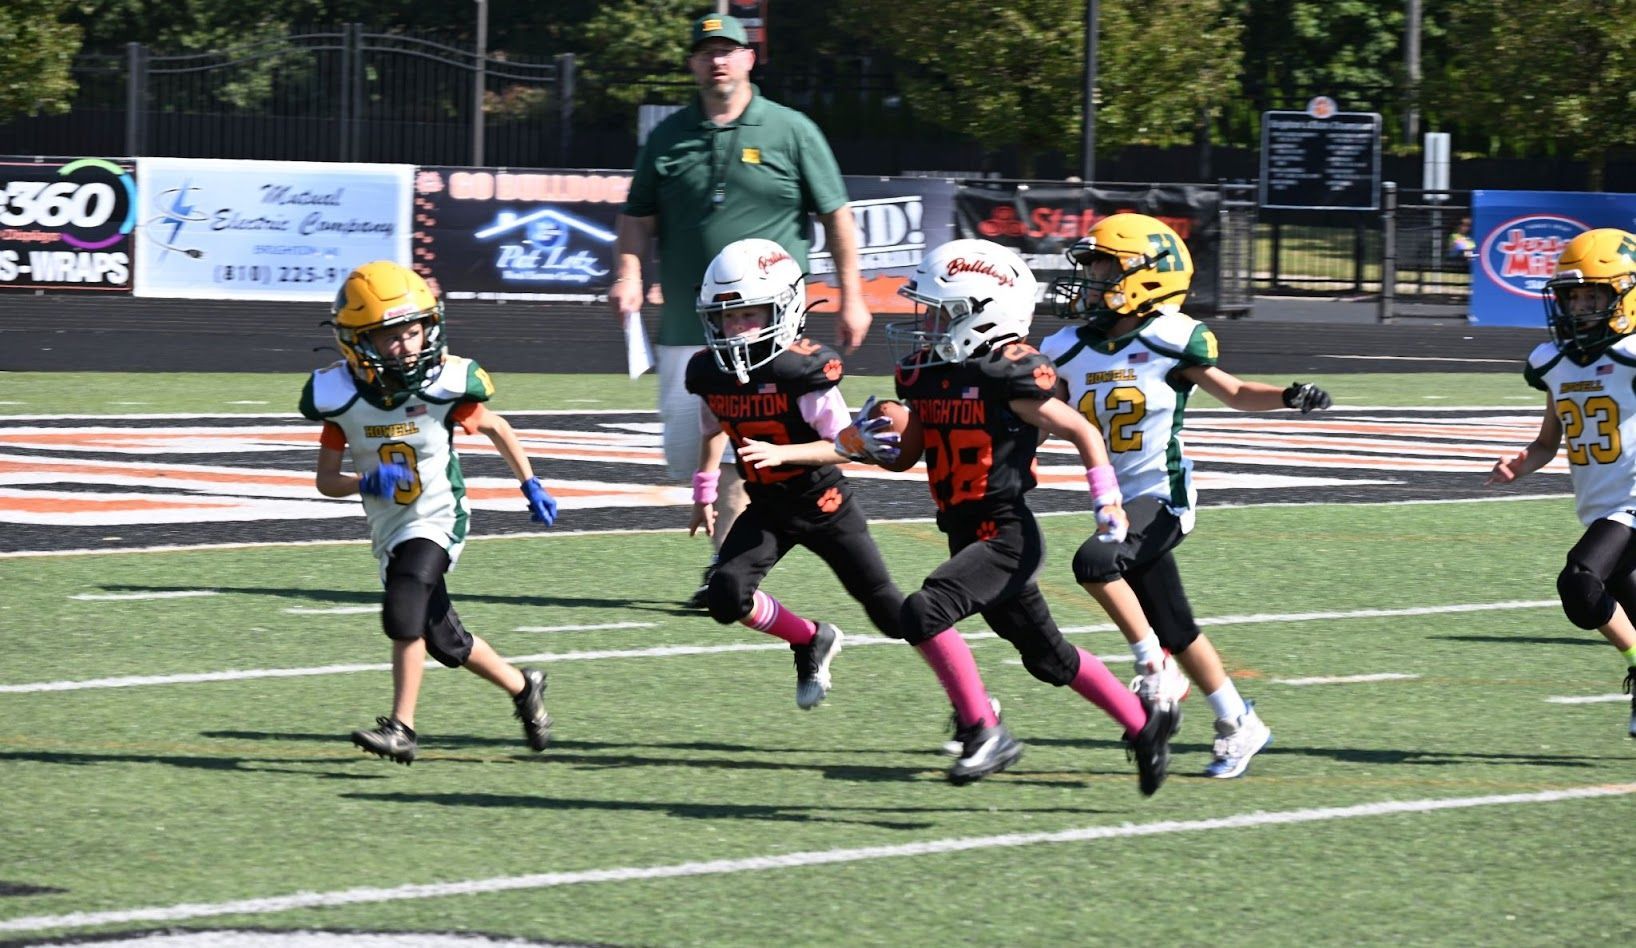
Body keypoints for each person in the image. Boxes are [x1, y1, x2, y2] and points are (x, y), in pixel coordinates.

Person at [846, 237, 1181, 795]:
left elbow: (1081, 429)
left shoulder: (1009, 374)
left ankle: (983, 730)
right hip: (962, 533)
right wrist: (862, 441)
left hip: (1004, 535)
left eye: (939, 311)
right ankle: (1145, 724)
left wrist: (1106, 501)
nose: (925, 323)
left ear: (981, 314)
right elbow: (907, 456)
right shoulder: (928, 376)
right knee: (1049, 659)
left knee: (922, 612)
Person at [687, 237, 1014, 786]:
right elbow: (713, 429)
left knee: (895, 613)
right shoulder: (710, 372)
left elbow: (848, 443)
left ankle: (977, 712)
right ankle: (810, 638)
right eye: (726, 318)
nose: (736, 330)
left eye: (748, 315)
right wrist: (701, 489)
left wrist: (784, 453)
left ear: (783, 308)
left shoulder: (803, 372)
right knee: (724, 595)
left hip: (823, 502)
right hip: (768, 506)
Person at [1041, 212, 1332, 779]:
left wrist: (1289, 395)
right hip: (1114, 501)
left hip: (1162, 497)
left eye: (1104, 267)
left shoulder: (1173, 337)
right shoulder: (1067, 347)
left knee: (1096, 562)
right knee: (1177, 626)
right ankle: (1238, 722)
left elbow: (1238, 393)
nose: (1092, 279)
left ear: (1148, 276)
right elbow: (1040, 418)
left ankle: (1156, 670)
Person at [611, 13, 872, 610]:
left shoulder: (792, 129)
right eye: (706, 52)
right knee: (690, 450)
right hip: (692, 324)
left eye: (729, 50)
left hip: (773, 329)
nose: (718, 60)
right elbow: (637, 214)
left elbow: (836, 215)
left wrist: (853, 294)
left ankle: (727, 568)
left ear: (750, 58)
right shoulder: (669, 135)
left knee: (740, 439)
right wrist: (628, 272)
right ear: (692, 63)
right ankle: (746, 546)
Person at [300, 261, 560, 765]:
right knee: (444, 640)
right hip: (390, 527)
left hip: (440, 514)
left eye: (413, 331)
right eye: (390, 335)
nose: (406, 344)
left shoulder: (441, 384)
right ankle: (523, 685)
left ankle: (402, 727)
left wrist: (530, 482)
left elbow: (496, 427)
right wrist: (364, 481)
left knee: (405, 605)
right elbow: (325, 481)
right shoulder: (342, 399)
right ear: (358, 341)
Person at [1485, 227, 1636, 738]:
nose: (1581, 308)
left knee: (1578, 581)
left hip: (1633, 504)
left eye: (1594, 295)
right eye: (1574, 297)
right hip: (1600, 505)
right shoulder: (1555, 363)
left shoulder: (1632, 354)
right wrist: (1521, 463)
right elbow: (1549, 441)